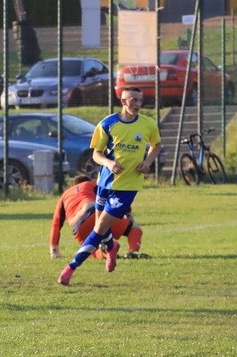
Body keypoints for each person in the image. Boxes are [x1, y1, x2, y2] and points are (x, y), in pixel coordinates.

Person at [59, 86, 160, 286]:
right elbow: (96, 154)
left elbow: (156, 146)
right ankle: (111, 247)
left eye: (140, 100)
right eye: (133, 100)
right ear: (123, 101)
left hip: (128, 187)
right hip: (105, 182)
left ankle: (70, 268)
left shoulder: (148, 124)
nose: (138, 104)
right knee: (100, 225)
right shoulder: (107, 124)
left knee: (99, 227)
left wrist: (147, 162)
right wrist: (109, 163)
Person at [49, 174, 145, 260]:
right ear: (89, 181)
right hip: (93, 212)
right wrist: (128, 214)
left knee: (91, 251)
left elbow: (56, 224)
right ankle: (133, 251)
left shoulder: (64, 195)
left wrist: (54, 251)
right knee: (134, 229)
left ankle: (103, 252)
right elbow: (115, 198)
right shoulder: (92, 185)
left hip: (78, 226)